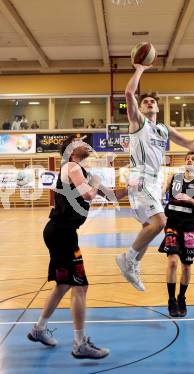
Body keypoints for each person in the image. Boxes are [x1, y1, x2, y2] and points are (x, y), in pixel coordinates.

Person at [115, 63, 194, 291]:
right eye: (145, 101)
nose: (149, 103)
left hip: (154, 181)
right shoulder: (138, 122)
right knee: (160, 222)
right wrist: (139, 69)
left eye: (152, 101)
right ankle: (128, 259)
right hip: (141, 176)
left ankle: (133, 264)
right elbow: (128, 93)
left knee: (149, 225)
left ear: (157, 108)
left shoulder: (164, 129)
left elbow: (189, 144)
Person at [27, 135, 110, 359]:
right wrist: (96, 182)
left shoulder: (83, 172)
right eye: (80, 141)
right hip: (61, 233)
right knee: (80, 287)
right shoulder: (72, 166)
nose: (86, 142)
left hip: (61, 232)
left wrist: (135, 190)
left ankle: (39, 329)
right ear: (72, 151)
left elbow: (109, 194)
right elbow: (89, 194)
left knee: (64, 285)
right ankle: (79, 343)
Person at [158, 151, 194, 317]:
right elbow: (159, 195)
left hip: (190, 226)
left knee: (186, 266)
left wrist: (190, 200)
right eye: (187, 158)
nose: (189, 160)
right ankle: (171, 300)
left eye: (193, 159)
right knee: (172, 261)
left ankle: (182, 297)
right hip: (172, 223)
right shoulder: (174, 178)